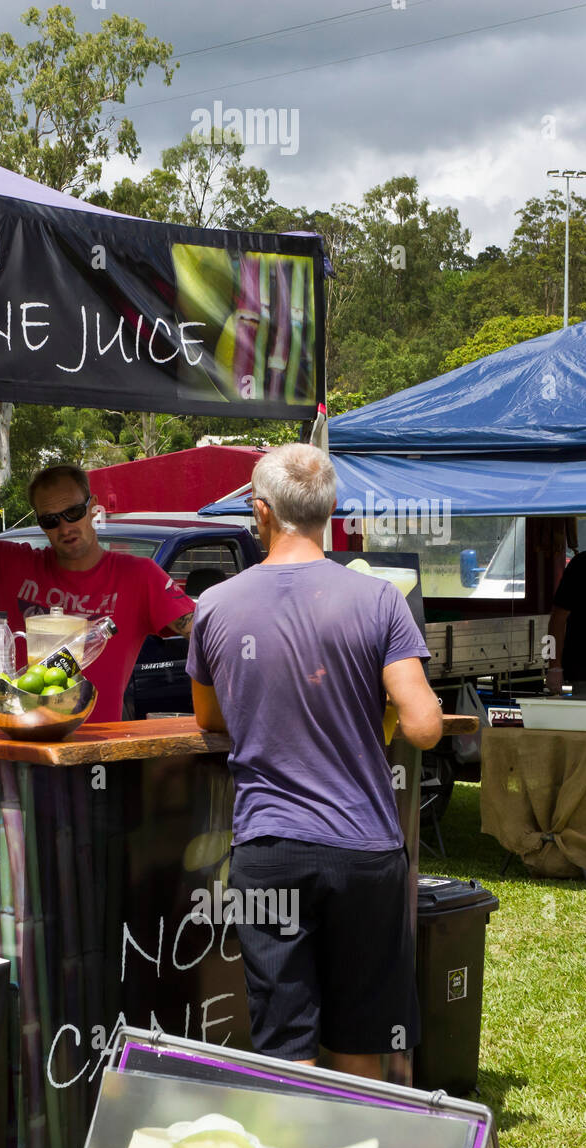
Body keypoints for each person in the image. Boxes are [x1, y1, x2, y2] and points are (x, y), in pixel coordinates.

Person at [186, 443, 444, 1081]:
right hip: (365, 849)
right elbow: (426, 726)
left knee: (284, 1036)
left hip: (268, 850)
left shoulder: (216, 605)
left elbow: (209, 719)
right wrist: (371, 719)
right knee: (361, 1033)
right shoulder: (378, 600)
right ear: (330, 511)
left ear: (262, 511)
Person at [0, 464, 194, 723]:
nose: (65, 527)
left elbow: (203, 633)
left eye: (74, 513)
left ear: (93, 507)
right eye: (50, 520)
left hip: (95, 753)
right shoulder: (17, 565)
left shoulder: (138, 576)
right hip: (20, 746)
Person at [546, 539, 586, 699]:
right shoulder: (583, 564)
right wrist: (554, 667)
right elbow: (557, 619)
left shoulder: (581, 562)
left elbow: (557, 619)